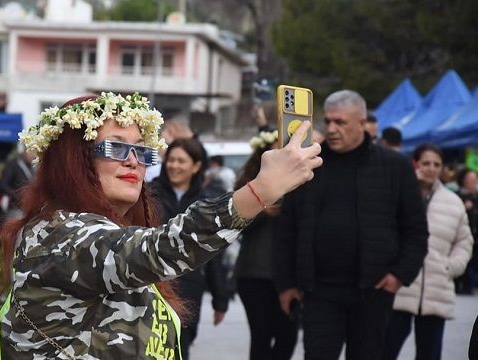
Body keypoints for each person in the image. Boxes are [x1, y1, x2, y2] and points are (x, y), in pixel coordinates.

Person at [0, 92, 322, 359]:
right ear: (73, 160)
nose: (133, 161)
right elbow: (161, 248)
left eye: (141, 150)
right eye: (115, 147)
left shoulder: (109, 230)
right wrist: (259, 191)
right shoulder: (59, 235)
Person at [275, 89, 428, 360]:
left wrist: (399, 275)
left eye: (340, 122)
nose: (332, 129)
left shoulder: (394, 167)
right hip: (318, 291)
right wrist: (286, 283)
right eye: (328, 121)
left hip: (373, 290)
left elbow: (415, 228)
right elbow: (287, 229)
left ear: (361, 123)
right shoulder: (310, 167)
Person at [383, 143, 473, 360]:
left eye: (436, 164)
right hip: (400, 286)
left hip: (436, 288)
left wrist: (450, 267)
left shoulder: (453, 203)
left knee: (430, 354)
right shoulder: (398, 195)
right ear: (415, 163)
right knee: (384, 350)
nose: (431, 168)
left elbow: (464, 241)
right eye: (426, 163)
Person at [150, 137, 230, 360]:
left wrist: (220, 299)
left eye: (181, 161)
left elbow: (214, 253)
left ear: (196, 166)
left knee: (180, 346)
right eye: (171, 160)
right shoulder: (148, 194)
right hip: (153, 281)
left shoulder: (206, 203)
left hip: (188, 287)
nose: (174, 165)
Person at [235, 128, 298, 360]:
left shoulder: (300, 180)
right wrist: (261, 209)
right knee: (261, 337)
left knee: (287, 337)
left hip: (290, 275)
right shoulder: (249, 184)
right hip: (255, 274)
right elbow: (235, 226)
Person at [455, 168, 478, 294]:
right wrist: (463, 208)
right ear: (463, 181)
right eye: (471, 180)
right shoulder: (457, 196)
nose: (474, 183)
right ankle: (460, 285)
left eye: (475, 180)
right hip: (461, 236)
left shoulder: (476, 197)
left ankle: (469, 286)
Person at [0, 147, 36, 220]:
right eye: (32, 152)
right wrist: (17, 196)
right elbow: (3, 184)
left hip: (28, 207)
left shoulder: (31, 167)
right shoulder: (13, 164)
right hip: (15, 206)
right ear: (25, 151)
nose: (33, 156)